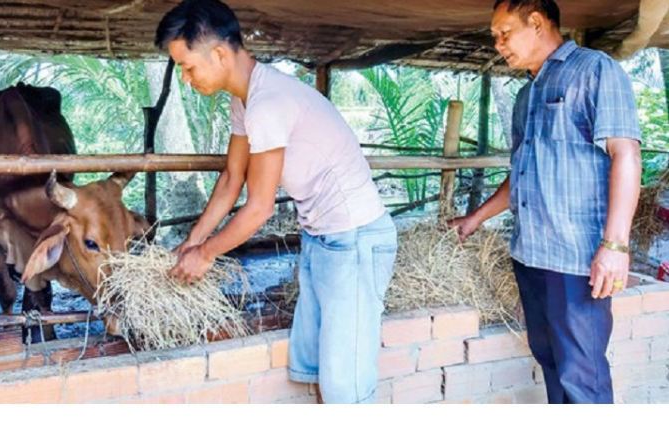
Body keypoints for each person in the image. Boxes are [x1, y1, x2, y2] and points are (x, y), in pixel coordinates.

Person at [154, 0, 398, 404]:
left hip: (355, 240)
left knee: (346, 388)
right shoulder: (245, 99)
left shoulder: (268, 104)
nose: (185, 79)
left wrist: (207, 253)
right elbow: (232, 178)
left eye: (187, 67)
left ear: (218, 54)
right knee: (320, 370)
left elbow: (259, 208)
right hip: (324, 238)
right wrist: (192, 241)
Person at [449, 0, 641, 404]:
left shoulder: (594, 70)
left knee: (582, 376)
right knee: (552, 363)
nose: (498, 44)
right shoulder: (525, 96)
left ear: (536, 22)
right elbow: (521, 174)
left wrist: (615, 246)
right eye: (495, 37)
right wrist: (475, 219)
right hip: (530, 256)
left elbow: (626, 154)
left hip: (576, 260)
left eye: (504, 33)